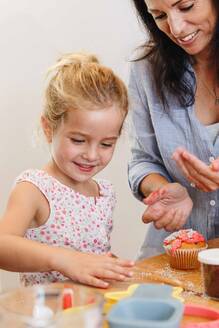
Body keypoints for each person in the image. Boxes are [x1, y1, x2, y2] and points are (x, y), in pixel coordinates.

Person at [0, 52, 134, 287]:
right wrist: (63, 259)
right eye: (79, 140)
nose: (92, 155)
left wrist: (106, 266)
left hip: (90, 315)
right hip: (48, 318)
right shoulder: (34, 189)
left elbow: (88, 256)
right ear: (49, 128)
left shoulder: (104, 193)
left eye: (106, 144)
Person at [128, 0, 219, 258]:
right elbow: (143, 160)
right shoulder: (146, 69)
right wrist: (163, 189)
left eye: (187, 6)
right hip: (173, 258)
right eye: (159, 15)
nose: (176, 28)